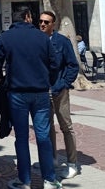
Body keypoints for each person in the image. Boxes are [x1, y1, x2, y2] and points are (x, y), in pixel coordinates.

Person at [0, 7, 62, 189]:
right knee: (43, 136)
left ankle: (25, 179)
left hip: (17, 92)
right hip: (40, 92)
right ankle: (49, 179)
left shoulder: (5, 37)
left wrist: (3, 79)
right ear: (28, 17)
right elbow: (55, 64)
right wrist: (48, 81)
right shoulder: (43, 38)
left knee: (21, 138)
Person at [39, 11, 80, 180]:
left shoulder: (62, 41)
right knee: (47, 127)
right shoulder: (37, 41)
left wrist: (64, 83)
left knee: (66, 126)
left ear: (53, 24)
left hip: (59, 90)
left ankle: (72, 164)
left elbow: (73, 65)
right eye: (40, 21)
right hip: (42, 91)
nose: (42, 24)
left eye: (46, 22)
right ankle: (52, 159)